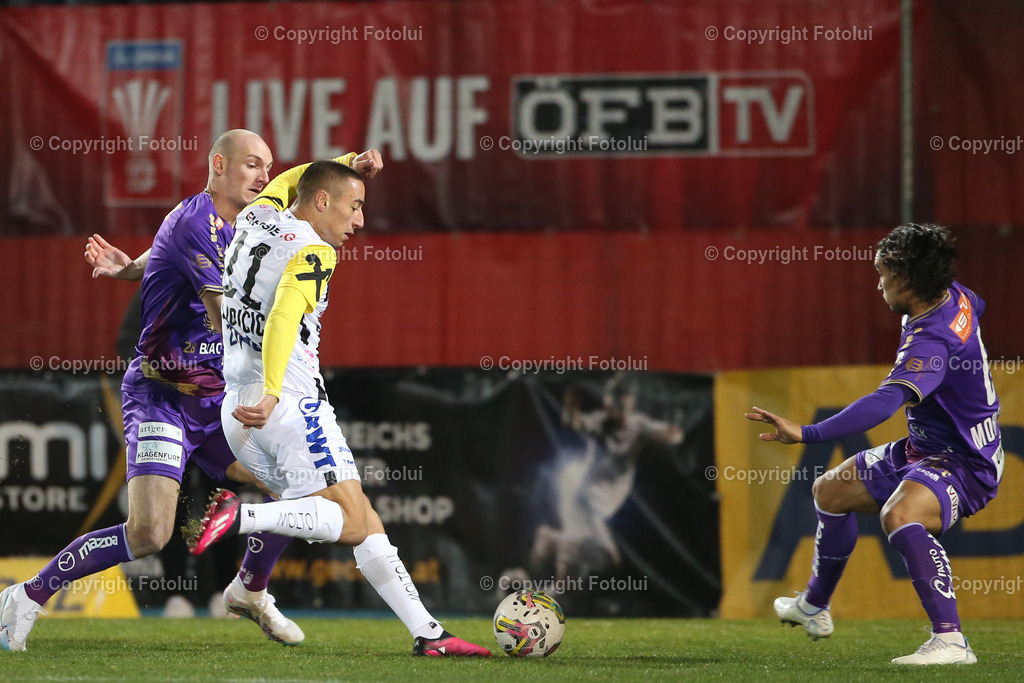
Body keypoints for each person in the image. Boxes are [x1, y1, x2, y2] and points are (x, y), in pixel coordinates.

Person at [0, 130, 382, 652]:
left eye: (267, 167)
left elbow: (299, 183)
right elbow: (225, 315)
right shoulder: (197, 223)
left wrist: (130, 268)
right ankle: (24, 597)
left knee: (298, 492)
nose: (264, 177)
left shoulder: (248, 222)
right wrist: (284, 348)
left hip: (215, 399)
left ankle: (250, 591)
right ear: (218, 165)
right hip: (162, 393)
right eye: (252, 165)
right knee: (149, 534)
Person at [185, 158, 490, 657]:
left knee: (360, 516)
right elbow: (284, 313)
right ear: (322, 202)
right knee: (347, 522)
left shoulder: (254, 218)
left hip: (235, 407)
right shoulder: (313, 249)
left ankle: (428, 633)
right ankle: (239, 517)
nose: (359, 221)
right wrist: (275, 391)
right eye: (354, 206)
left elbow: (288, 181)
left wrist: (349, 163)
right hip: (286, 404)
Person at [745, 224, 1003, 666]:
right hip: (926, 447)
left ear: (906, 279)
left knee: (899, 515)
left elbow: (884, 403)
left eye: (882, 272)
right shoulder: (954, 295)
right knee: (830, 490)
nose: (877, 281)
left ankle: (951, 642)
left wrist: (806, 433)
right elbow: (977, 307)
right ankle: (814, 607)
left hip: (966, 462)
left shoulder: (931, 341)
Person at [531, 378, 683, 580]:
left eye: (620, 402)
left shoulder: (638, 424)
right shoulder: (599, 421)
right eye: (612, 403)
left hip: (597, 501)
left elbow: (674, 435)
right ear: (606, 404)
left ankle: (557, 595)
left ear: (629, 402)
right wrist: (571, 405)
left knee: (573, 565)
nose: (615, 408)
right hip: (587, 500)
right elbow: (572, 421)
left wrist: (669, 435)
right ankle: (551, 540)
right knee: (608, 559)